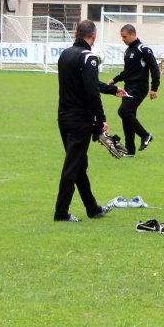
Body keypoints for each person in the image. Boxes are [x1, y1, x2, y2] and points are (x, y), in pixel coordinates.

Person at [54, 20, 127, 222]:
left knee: (78, 164)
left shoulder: (65, 54)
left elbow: (87, 83)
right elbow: (91, 90)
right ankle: (61, 213)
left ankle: (92, 208)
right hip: (80, 119)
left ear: (76, 33)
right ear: (93, 37)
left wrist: (112, 90)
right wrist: (101, 119)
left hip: (64, 116)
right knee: (72, 166)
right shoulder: (88, 57)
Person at [107, 24, 160, 156]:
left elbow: (154, 68)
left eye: (124, 36)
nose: (122, 39)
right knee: (127, 117)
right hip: (128, 87)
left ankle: (145, 135)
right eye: (121, 37)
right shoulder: (128, 51)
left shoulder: (143, 49)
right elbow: (127, 72)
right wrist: (115, 80)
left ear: (132, 34)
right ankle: (130, 151)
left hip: (139, 87)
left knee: (124, 111)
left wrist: (154, 87)